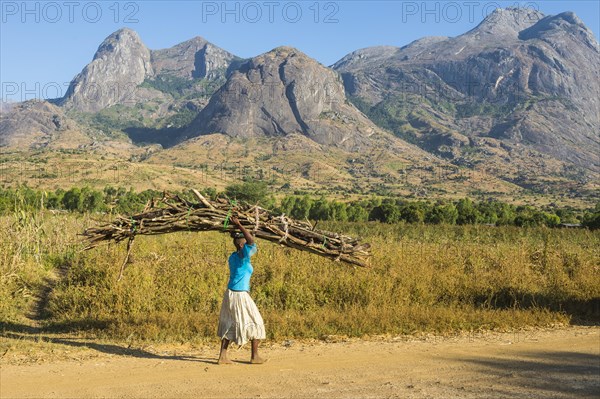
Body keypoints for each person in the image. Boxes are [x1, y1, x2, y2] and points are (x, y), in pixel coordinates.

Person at [217, 216, 267, 364]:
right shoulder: (243, 256)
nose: (248, 243)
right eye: (244, 242)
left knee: (230, 323)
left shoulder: (233, 257)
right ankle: (255, 356)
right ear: (241, 245)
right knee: (256, 321)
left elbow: (250, 242)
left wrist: (240, 229)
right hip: (239, 295)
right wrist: (239, 225)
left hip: (231, 293)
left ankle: (223, 356)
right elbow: (251, 242)